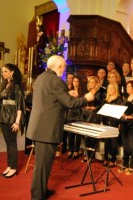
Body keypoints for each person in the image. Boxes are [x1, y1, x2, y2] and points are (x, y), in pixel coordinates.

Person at [26, 55, 94, 200]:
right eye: (63, 66)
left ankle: (42, 190)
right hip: (47, 129)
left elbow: (50, 97)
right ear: (58, 67)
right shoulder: (57, 81)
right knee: (43, 166)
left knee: (44, 164)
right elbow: (70, 104)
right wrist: (86, 98)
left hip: (40, 127)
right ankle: (37, 196)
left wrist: (67, 94)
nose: (64, 70)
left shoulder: (41, 78)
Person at [0, 63, 25, 178]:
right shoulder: (5, 85)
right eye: (2, 71)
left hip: (11, 119)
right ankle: (9, 166)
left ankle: (14, 168)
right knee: (8, 144)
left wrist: (17, 122)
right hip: (3, 118)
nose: (3, 73)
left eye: (5, 71)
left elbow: (20, 106)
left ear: (12, 72)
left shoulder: (17, 86)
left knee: (12, 143)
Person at [119, 80, 133, 175]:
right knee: (125, 145)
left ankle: (132, 166)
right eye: (126, 87)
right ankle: (125, 164)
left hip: (132, 124)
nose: (127, 88)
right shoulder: (125, 98)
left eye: (129, 87)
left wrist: (128, 116)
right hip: (124, 123)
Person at [101, 83, 123, 167]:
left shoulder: (119, 100)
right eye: (109, 88)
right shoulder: (106, 99)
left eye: (112, 88)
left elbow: (119, 112)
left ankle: (112, 160)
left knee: (114, 143)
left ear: (115, 89)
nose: (110, 90)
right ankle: (106, 158)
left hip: (114, 123)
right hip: (106, 123)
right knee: (107, 142)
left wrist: (119, 124)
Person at [67, 76, 85, 159]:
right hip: (70, 113)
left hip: (79, 114)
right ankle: (70, 149)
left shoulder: (82, 92)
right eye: (74, 81)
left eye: (77, 81)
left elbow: (83, 103)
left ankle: (76, 150)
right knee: (70, 133)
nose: (75, 82)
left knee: (77, 133)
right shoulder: (69, 91)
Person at [24, 81, 34, 156]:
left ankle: (35, 150)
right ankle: (28, 150)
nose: (34, 86)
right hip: (29, 115)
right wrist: (26, 108)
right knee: (28, 132)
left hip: (37, 115)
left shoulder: (40, 94)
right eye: (33, 84)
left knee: (36, 133)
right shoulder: (29, 95)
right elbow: (24, 104)